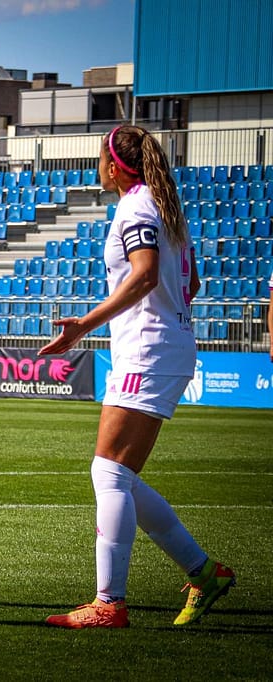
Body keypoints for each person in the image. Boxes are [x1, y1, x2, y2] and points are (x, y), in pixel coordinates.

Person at [40, 125, 235, 629]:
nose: (95, 167)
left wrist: (86, 324)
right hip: (161, 346)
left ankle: (110, 603)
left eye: (99, 160)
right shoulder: (163, 206)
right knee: (119, 476)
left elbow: (146, 273)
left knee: (107, 474)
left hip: (148, 351)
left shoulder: (134, 206)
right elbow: (189, 281)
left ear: (115, 166)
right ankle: (204, 572)